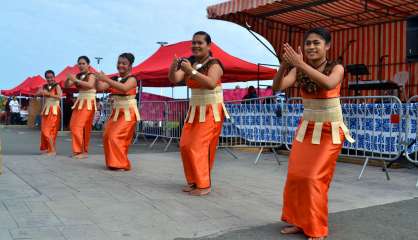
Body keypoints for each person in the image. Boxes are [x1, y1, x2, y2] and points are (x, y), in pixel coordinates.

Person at [272, 28, 355, 240]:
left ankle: (316, 228)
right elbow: (278, 87)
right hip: (306, 129)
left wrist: (299, 64)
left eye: (316, 43)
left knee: (313, 178)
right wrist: (285, 64)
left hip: (329, 130)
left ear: (327, 46)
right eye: (308, 43)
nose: (311, 47)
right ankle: (300, 221)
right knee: (296, 176)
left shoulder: (337, 67)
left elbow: (328, 83)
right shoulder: (299, 69)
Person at [168, 31, 229, 196]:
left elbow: (210, 83)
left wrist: (191, 71)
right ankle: (193, 181)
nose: (195, 45)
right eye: (193, 42)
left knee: (199, 146)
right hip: (194, 109)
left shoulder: (215, 64)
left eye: (200, 42)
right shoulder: (191, 63)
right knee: (185, 145)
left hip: (211, 110)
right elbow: (174, 79)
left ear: (209, 46)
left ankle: (204, 184)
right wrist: (174, 66)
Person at [96, 53, 140, 171]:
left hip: (128, 112)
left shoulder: (132, 79)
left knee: (115, 136)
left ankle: (120, 163)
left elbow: (124, 88)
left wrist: (106, 79)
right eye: (119, 63)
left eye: (124, 63)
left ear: (130, 66)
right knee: (107, 135)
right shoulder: (114, 79)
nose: (120, 65)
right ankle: (113, 162)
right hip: (116, 112)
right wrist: (97, 78)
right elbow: (100, 87)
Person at [65, 56, 97, 159]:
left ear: (88, 65)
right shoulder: (78, 76)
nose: (81, 65)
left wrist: (75, 80)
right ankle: (79, 150)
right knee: (73, 125)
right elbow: (67, 86)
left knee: (80, 126)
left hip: (88, 101)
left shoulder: (91, 75)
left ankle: (81, 151)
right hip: (80, 101)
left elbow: (90, 84)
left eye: (83, 63)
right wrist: (68, 78)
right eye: (79, 63)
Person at [36, 70, 62, 156]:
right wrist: (39, 93)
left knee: (48, 130)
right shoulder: (44, 86)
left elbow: (59, 96)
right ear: (45, 78)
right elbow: (36, 94)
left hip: (54, 109)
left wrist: (49, 94)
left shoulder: (57, 86)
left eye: (51, 77)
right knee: (44, 130)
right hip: (46, 110)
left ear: (54, 77)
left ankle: (52, 150)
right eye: (47, 77)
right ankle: (49, 149)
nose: (49, 79)